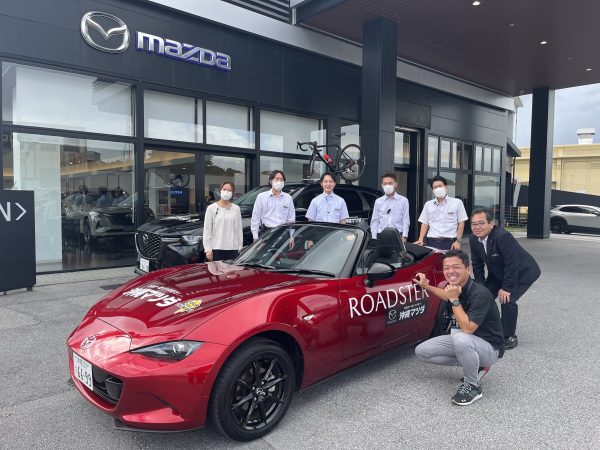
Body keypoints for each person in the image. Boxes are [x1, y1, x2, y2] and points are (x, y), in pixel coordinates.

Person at [413, 250, 504, 406]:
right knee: (422, 352)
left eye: (456, 267)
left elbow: (468, 329)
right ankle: (474, 365)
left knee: (462, 338)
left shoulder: (480, 294)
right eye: (446, 268)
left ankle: (473, 386)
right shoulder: (456, 286)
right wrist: (426, 286)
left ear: (467, 269)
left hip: (490, 347)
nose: (450, 271)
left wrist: (455, 300)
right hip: (469, 343)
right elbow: (446, 295)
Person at [468, 208, 541, 350]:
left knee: (507, 299)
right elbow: (477, 265)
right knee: (484, 296)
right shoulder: (473, 238)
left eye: (481, 223)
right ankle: (490, 328)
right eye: (473, 224)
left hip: (523, 272)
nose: (477, 227)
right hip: (498, 272)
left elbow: (512, 264)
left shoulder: (503, 237)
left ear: (491, 224)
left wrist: (506, 288)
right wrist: (480, 288)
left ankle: (508, 336)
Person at [415, 175, 468, 250]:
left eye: (440, 186)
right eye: (435, 187)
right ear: (432, 190)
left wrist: (458, 241)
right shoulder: (428, 204)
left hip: (450, 242)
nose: (438, 189)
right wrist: (421, 239)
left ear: (446, 187)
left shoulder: (457, 203)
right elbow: (424, 223)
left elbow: (461, 223)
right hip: (431, 242)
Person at [203, 181, 243, 261]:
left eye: (229, 190)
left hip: (233, 248)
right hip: (216, 248)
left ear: (232, 193)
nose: (227, 192)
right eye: (224, 189)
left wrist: (240, 246)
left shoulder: (236, 209)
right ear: (220, 190)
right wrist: (208, 249)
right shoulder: (211, 208)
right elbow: (207, 230)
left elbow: (239, 229)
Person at [251, 170, 295, 241]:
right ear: (271, 181)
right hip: (267, 233)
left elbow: (291, 219)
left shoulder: (288, 198)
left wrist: (291, 236)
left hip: (283, 233)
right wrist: (255, 237)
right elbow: (256, 218)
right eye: (277, 179)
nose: (279, 181)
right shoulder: (262, 197)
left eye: (281, 180)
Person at [370, 172, 409, 241]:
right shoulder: (378, 201)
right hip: (381, 234)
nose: (387, 186)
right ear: (382, 185)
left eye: (390, 183)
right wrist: (374, 237)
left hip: (397, 235)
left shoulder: (403, 200)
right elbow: (375, 221)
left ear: (395, 184)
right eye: (385, 184)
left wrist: (404, 236)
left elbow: (405, 220)